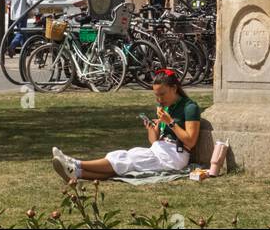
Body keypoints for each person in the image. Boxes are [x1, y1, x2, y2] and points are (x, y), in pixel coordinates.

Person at [51, 68, 200, 180]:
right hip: (159, 150)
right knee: (125, 158)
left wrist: (171, 123)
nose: (159, 100)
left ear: (174, 88)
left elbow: (191, 141)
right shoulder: (166, 107)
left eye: (162, 94)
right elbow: (154, 142)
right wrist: (152, 129)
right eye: (156, 95)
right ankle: (76, 172)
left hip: (174, 156)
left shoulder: (190, 107)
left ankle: (75, 162)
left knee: (129, 160)